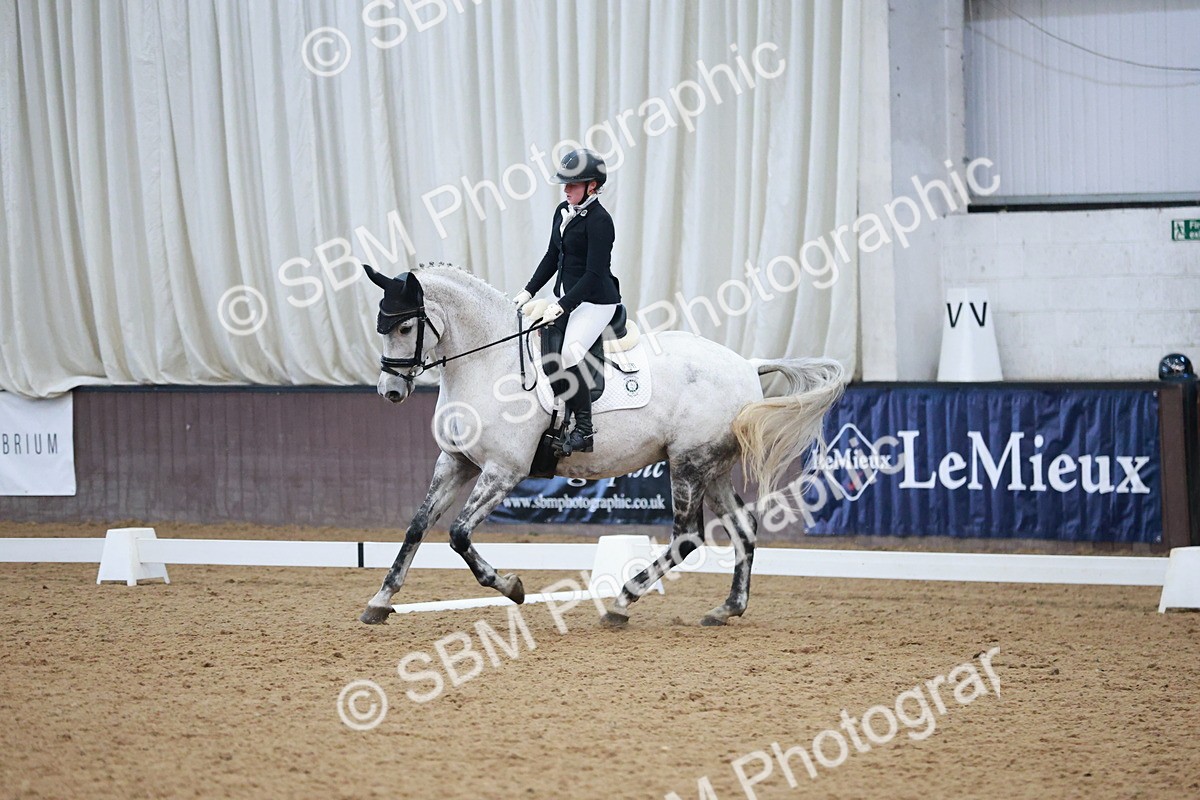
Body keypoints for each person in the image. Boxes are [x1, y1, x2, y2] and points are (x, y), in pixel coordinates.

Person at [513, 148, 621, 456]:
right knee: (545, 350)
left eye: (572, 184)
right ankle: (560, 416)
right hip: (566, 295)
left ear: (592, 185)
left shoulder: (600, 221)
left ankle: (584, 431)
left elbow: (593, 273)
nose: (566, 189)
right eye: (565, 184)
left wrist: (563, 305)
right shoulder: (563, 210)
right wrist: (529, 291)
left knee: (571, 354)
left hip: (596, 301)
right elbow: (552, 256)